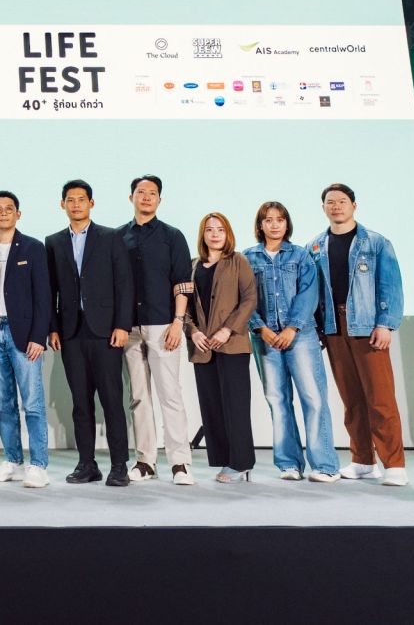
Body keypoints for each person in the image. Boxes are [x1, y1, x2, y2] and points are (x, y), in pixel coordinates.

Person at [308, 183, 408, 486]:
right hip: (334, 327)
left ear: (354, 205)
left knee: (380, 398)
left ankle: (395, 465)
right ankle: (363, 461)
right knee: (351, 400)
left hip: (367, 327)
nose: (336, 206)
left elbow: (390, 286)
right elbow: (313, 293)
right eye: (330, 202)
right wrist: (318, 328)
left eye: (342, 201)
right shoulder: (314, 247)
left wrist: (385, 324)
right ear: (323, 208)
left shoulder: (376, 243)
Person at [46, 179, 134, 488]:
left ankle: (119, 465)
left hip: (106, 332)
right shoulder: (53, 242)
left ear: (91, 203)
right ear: (63, 204)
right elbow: (50, 290)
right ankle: (87, 464)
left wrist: (122, 325)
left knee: (112, 401)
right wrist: (53, 328)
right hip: (71, 332)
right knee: (80, 403)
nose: (76, 204)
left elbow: (124, 284)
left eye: (81, 199)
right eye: (70, 200)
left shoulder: (111, 237)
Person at [244, 201, 339, 482]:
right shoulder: (247, 258)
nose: (274, 224)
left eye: (280, 219)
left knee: (314, 398)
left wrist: (292, 328)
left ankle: (324, 465)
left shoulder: (301, 256)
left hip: (301, 336)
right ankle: (289, 464)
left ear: (287, 224)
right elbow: (244, 298)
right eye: (268, 220)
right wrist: (260, 328)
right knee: (278, 400)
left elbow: (309, 294)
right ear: (260, 225)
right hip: (265, 339)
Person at [118, 174, 196, 486]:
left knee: (170, 395)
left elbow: (183, 283)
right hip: (129, 327)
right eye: (141, 192)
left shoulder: (172, 236)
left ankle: (180, 463)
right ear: (131, 198)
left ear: (159, 200)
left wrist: (178, 322)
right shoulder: (118, 237)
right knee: (138, 397)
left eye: (152, 193)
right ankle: (145, 461)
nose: (147, 197)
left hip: (163, 325)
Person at [0, 191, 52, 487]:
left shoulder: (33, 248)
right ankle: (12, 460)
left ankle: (38, 465)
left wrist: (39, 336)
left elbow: (44, 296)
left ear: (18, 214)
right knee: (2, 402)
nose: (3, 213)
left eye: (9, 208)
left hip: (23, 334)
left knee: (32, 402)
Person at [186, 211, 258, 483]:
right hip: (202, 347)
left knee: (235, 405)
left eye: (220, 229)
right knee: (212, 406)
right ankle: (225, 460)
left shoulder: (238, 261)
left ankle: (241, 463)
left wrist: (228, 329)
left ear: (228, 234)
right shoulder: (193, 266)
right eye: (209, 229)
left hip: (232, 345)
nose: (215, 234)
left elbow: (249, 298)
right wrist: (192, 332)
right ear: (202, 235)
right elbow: (185, 306)